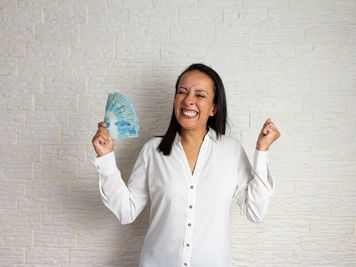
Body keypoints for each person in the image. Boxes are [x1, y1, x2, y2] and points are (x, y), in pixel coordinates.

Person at [91, 63, 281, 267]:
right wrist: (106, 158)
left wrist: (262, 151)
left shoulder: (231, 151)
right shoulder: (152, 150)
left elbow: (255, 211)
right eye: (182, 92)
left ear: (213, 108)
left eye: (200, 95)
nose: (188, 100)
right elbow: (126, 211)